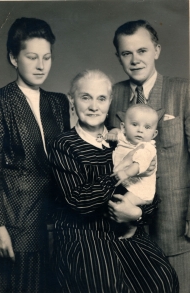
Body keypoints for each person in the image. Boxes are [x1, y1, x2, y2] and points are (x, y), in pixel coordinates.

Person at [48, 69, 178, 293]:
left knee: (162, 280)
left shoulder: (126, 138)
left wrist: (135, 214)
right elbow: (79, 201)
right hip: (84, 237)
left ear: (109, 102)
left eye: (101, 98)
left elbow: (148, 194)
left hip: (124, 230)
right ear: (72, 100)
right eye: (85, 97)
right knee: (109, 286)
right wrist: (118, 174)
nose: (93, 106)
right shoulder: (64, 144)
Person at [107, 19, 190, 293]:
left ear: (157, 50)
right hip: (127, 228)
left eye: (142, 51)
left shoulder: (183, 91)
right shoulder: (113, 95)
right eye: (126, 53)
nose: (135, 59)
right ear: (118, 57)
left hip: (175, 227)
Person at [0, 17, 70, 293]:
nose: (41, 66)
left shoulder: (58, 102)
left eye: (47, 57)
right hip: (15, 222)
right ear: (14, 58)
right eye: (32, 57)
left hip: (55, 222)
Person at [106, 104, 158, 238]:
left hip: (141, 190)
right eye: (135, 125)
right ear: (124, 127)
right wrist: (112, 132)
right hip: (128, 185)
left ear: (154, 133)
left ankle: (131, 228)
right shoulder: (124, 138)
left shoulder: (146, 148)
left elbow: (138, 165)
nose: (140, 130)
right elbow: (111, 135)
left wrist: (125, 173)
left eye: (147, 127)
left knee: (125, 204)